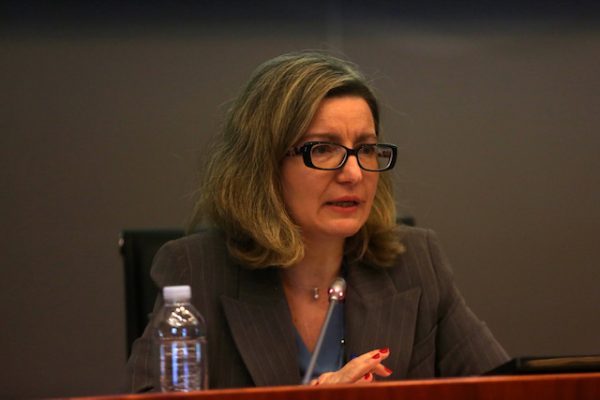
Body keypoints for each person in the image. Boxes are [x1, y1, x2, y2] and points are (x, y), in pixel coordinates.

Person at [126, 51, 509, 391]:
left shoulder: (415, 263)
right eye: (323, 149)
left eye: (366, 148)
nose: (354, 173)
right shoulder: (197, 270)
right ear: (264, 165)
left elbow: (507, 388)